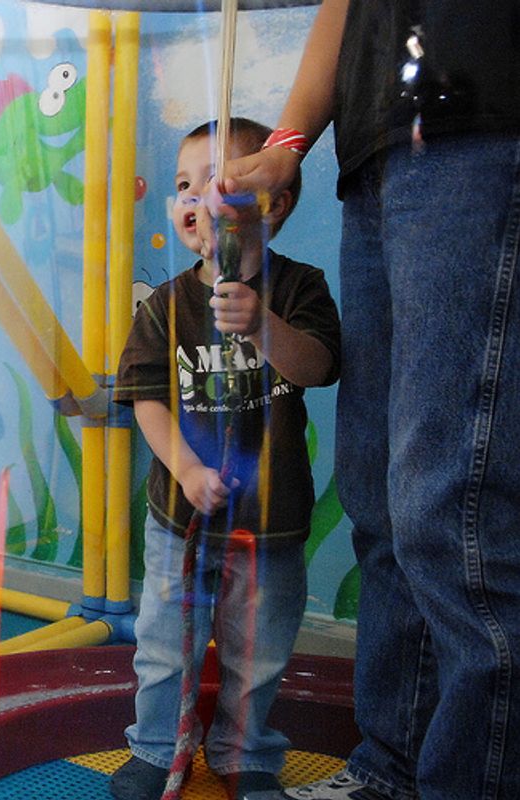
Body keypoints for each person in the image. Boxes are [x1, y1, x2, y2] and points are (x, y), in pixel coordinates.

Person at [199, 2, 520, 799]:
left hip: (478, 124)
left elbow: (305, 360)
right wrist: (287, 144)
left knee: (454, 509)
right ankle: (391, 768)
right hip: (376, 154)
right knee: (379, 498)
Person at [110, 117, 341, 800]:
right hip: (178, 521)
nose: (195, 198)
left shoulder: (300, 288)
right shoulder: (165, 304)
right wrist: (182, 467)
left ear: (274, 201)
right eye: (184, 186)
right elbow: (145, 397)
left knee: (257, 654)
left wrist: (262, 325)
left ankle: (246, 754)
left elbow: (320, 367)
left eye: (217, 182)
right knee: (163, 648)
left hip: (272, 522)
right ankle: (156, 747)